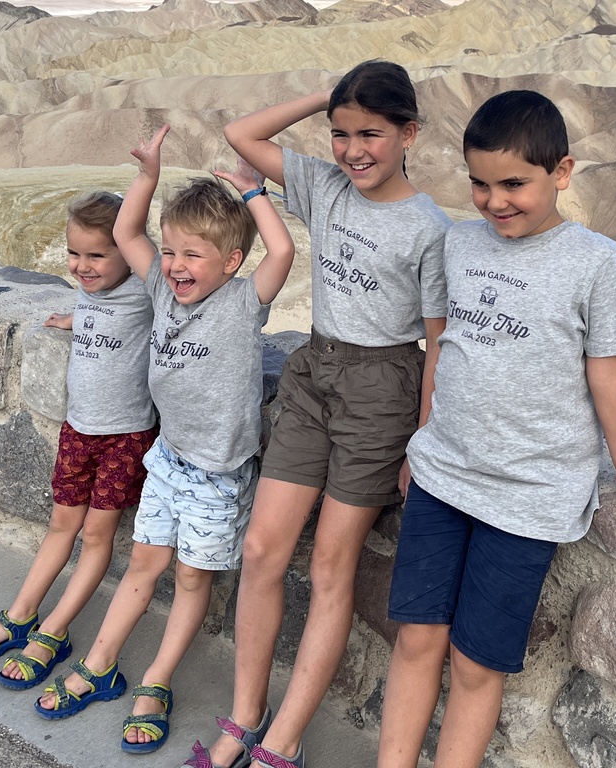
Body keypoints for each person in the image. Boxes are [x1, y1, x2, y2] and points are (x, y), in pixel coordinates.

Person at [377, 89, 616, 768]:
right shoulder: (457, 246)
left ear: (562, 172)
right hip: (442, 478)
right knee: (415, 639)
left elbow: (610, 374)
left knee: (474, 664)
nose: (494, 202)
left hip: (528, 498)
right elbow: (443, 349)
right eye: (480, 184)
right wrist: (420, 443)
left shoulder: (592, 260)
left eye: (515, 184)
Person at [201, 61, 453, 768]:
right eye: (340, 134)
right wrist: (327, 95)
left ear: (409, 133)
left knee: (332, 566)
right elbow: (240, 133)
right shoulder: (324, 185)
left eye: (371, 132)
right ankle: (245, 718)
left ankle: (284, 741)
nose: (353, 150)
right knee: (262, 548)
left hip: (383, 390)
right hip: (314, 374)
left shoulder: (428, 228)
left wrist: (421, 441)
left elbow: (437, 341)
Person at [36, 124, 295, 757]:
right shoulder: (159, 288)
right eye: (172, 252)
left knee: (186, 580)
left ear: (231, 263)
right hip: (168, 461)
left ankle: (155, 684)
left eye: (193, 255)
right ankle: (100, 664)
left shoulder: (241, 303)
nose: (176, 266)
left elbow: (282, 253)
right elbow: (127, 234)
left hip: (216, 475)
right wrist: (148, 175)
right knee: (144, 566)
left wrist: (254, 192)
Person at [0, 190, 157, 693]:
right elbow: (98, 316)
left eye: (96, 255)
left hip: (124, 439)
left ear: (126, 253)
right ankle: (22, 613)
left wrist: (147, 177)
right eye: (74, 254)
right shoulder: (90, 294)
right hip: (77, 432)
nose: (82, 267)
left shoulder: (143, 292)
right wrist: (75, 319)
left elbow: (146, 265)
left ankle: (54, 631)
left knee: (94, 537)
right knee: (59, 526)